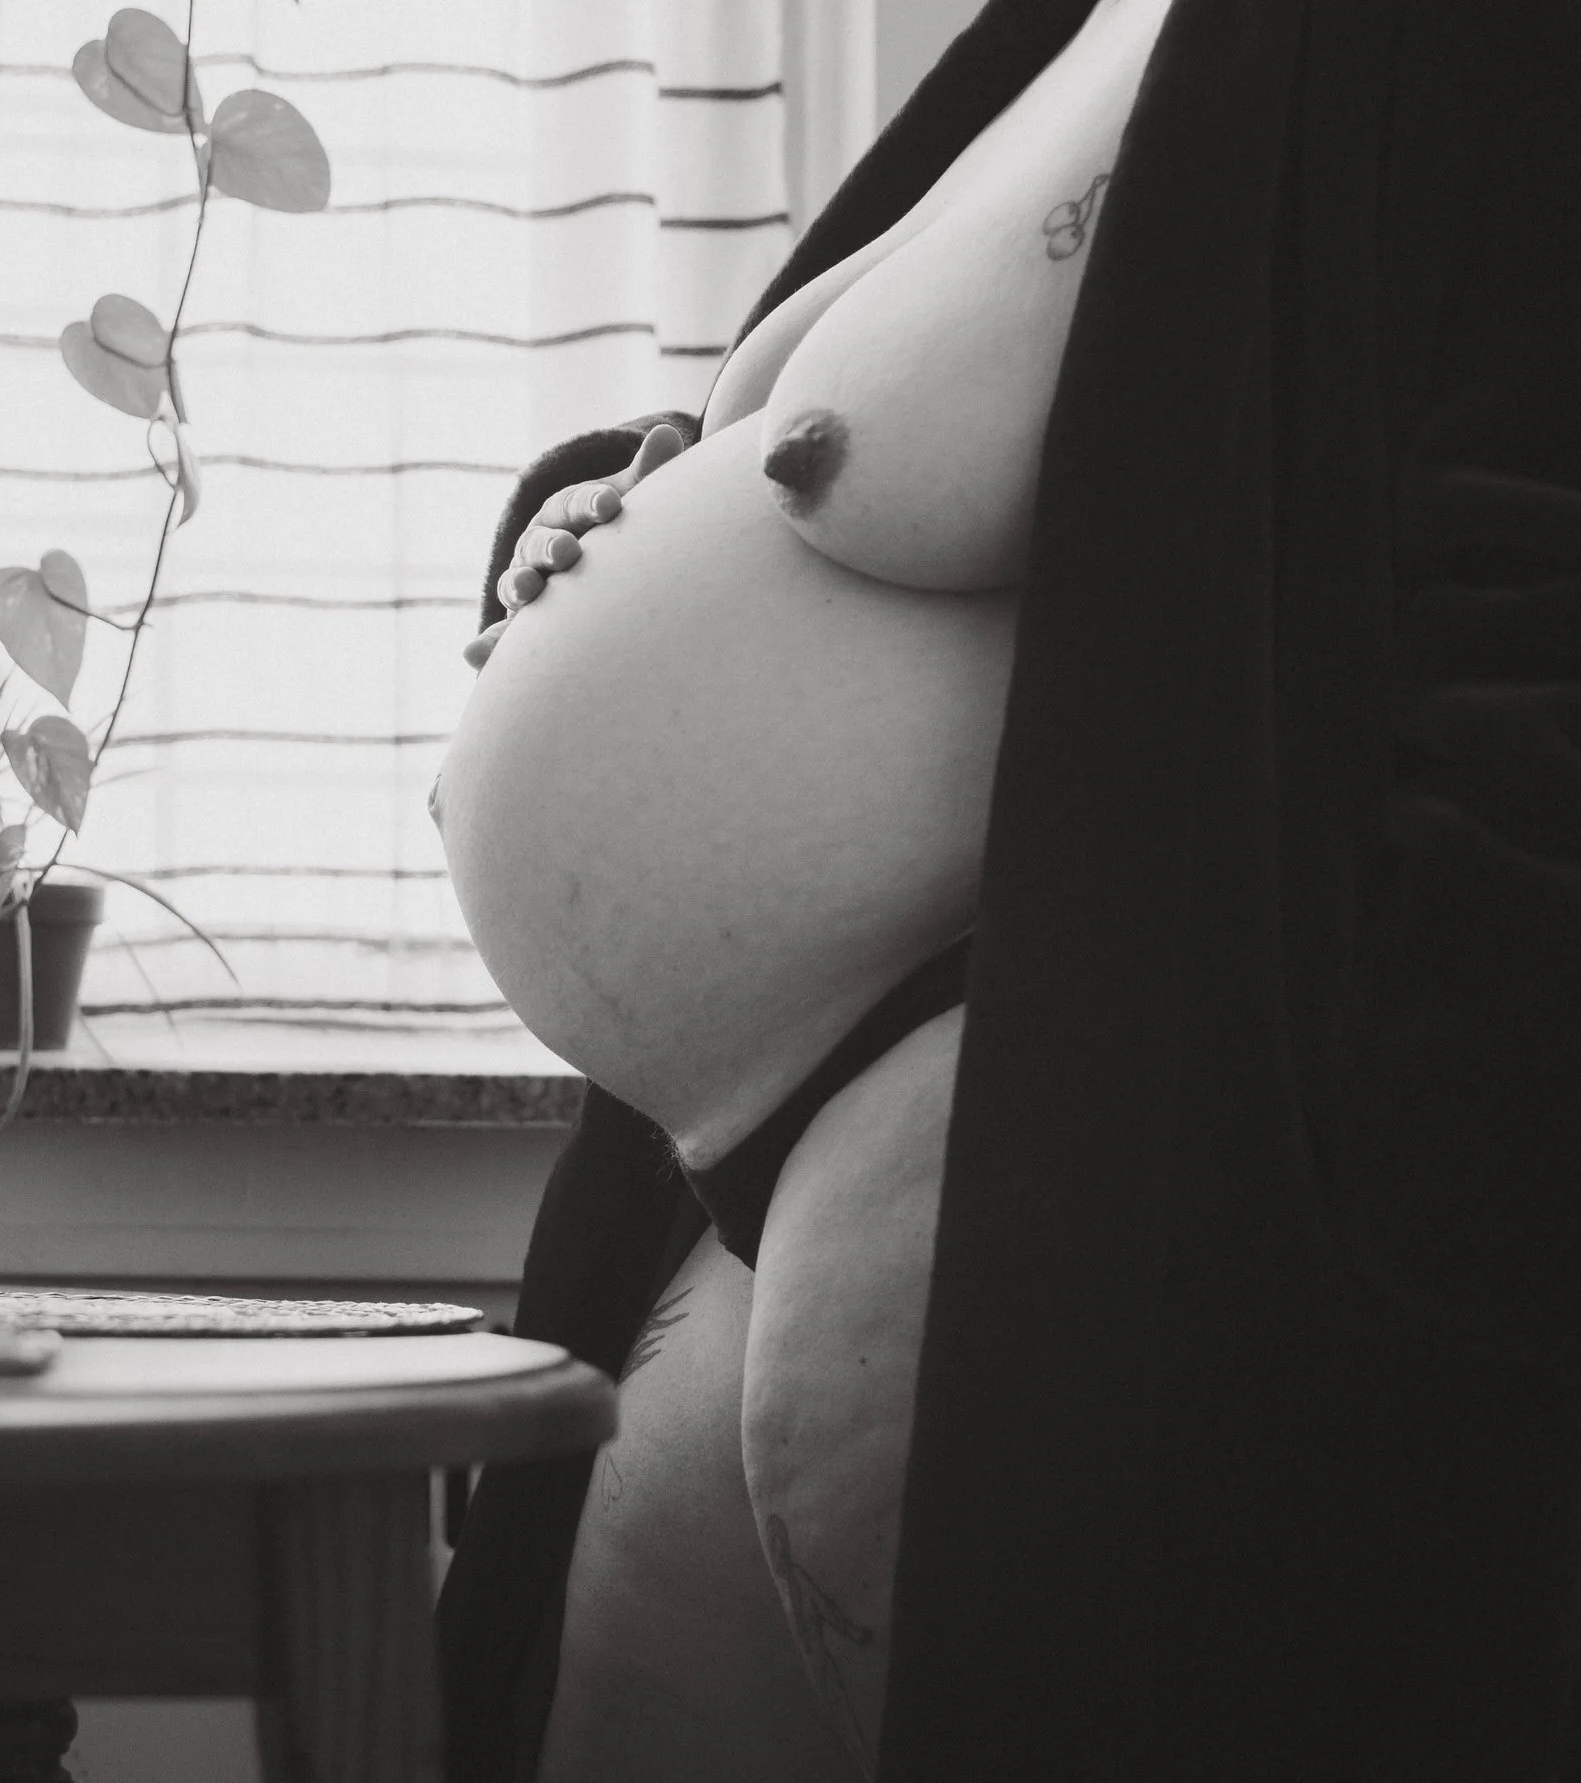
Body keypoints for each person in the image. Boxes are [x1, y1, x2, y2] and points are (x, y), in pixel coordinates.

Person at [430, 0, 1581, 1779]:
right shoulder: (1074, 17)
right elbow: (893, 430)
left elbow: (1501, 612)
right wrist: (620, 502)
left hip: (1034, 1110)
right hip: (758, 1145)